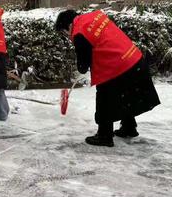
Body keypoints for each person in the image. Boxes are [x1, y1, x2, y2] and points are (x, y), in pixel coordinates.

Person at [55, 9, 160, 147]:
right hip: (133, 58)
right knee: (125, 95)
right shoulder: (94, 16)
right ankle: (129, 128)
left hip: (117, 65)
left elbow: (83, 65)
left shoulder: (79, 32)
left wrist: (81, 65)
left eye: (64, 33)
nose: (67, 37)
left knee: (105, 96)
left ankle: (104, 135)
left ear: (68, 26)